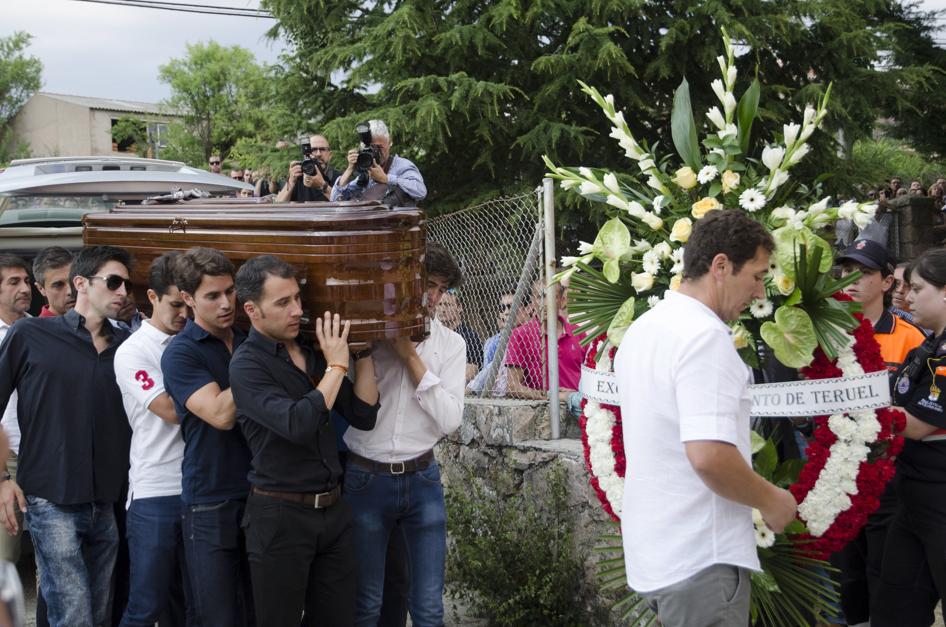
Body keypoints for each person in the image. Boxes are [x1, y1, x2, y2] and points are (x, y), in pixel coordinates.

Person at [614, 210, 796, 626]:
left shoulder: (645, 328)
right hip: (701, 559)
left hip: (657, 554)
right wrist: (773, 500)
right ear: (720, 266)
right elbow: (709, 455)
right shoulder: (704, 339)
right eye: (756, 275)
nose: (758, 290)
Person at [230, 255, 379, 626]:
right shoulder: (247, 364)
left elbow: (364, 414)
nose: (297, 310)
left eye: (297, 298)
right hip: (280, 517)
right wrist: (338, 367)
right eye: (283, 303)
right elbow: (299, 423)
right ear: (252, 310)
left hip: (332, 511)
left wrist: (362, 353)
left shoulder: (314, 353)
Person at [0, 246, 134, 626]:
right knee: (73, 613)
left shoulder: (126, 347)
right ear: (82, 284)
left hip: (106, 499)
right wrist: (2, 480)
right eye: (112, 282)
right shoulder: (31, 333)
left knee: (98, 611)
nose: (122, 291)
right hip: (50, 496)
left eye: (126, 283)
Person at [343, 241, 464, 627]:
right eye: (429, 283)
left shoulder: (451, 344)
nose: (433, 295)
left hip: (422, 477)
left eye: (442, 289)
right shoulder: (369, 330)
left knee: (429, 608)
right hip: (366, 475)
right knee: (365, 604)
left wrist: (411, 358)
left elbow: (450, 419)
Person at [834, 238, 926, 625]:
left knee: (884, 573)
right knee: (844, 576)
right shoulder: (829, 332)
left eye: (865, 272)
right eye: (845, 271)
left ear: (889, 282)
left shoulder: (911, 339)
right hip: (835, 472)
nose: (850, 279)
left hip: (887, 477)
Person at [160, 247, 253, 626]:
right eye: (212, 296)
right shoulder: (180, 353)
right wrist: (258, 358)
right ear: (187, 299)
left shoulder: (248, 338)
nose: (226, 303)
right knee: (217, 616)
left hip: (262, 493)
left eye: (230, 291)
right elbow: (220, 414)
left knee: (259, 613)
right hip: (210, 499)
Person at [114, 253, 191, 627]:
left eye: (189, 305)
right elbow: (171, 410)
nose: (184, 315)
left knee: (191, 608)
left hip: (201, 489)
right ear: (152, 297)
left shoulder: (199, 342)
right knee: (145, 607)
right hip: (154, 491)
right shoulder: (133, 351)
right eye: (176, 305)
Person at [872, 248, 946, 626]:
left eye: (916, 288)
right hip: (913, 498)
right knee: (895, 609)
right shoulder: (927, 346)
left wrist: (846, 409)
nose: (906, 296)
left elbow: (916, 422)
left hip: (940, 496)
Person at [504, 277, 585, 405]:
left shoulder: (579, 333)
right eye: (539, 297)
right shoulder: (520, 335)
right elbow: (512, 386)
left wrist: (574, 397)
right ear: (532, 302)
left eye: (551, 296)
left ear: (562, 301)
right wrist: (550, 396)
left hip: (578, 409)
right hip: (542, 412)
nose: (544, 303)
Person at [0, 255, 31, 566]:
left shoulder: (42, 330)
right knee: (4, 559)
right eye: (13, 282)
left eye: (26, 280)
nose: (24, 288)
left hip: (42, 454)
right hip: (5, 457)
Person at [331, 120, 427, 205]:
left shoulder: (402, 165)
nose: (375, 152)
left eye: (379, 147)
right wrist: (349, 169)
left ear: (389, 143)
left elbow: (420, 191)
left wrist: (386, 179)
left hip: (398, 223)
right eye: (372, 148)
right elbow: (334, 199)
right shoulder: (367, 171)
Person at [467, 290, 533, 396]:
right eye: (502, 308)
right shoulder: (493, 342)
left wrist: (473, 387)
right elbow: (488, 369)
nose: (506, 312)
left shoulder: (532, 334)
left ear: (528, 308)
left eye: (511, 306)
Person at [275, 135, 341, 203]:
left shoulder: (339, 178)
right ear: (306, 154)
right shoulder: (298, 175)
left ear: (330, 155)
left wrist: (322, 185)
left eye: (322, 149)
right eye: (313, 150)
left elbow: (344, 205)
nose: (318, 154)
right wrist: (291, 181)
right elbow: (278, 206)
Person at [436, 291, 482, 382]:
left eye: (448, 305)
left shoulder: (470, 336)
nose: (442, 309)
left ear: (459, 307)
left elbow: (472, 370)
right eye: (439, 304)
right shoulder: (434, 335)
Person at [32, 247, 75, 318]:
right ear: (40, 289)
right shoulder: (34, 328)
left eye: (73, 281)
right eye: (59, 285)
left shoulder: (94, 322)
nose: (70, 291)